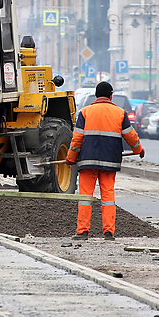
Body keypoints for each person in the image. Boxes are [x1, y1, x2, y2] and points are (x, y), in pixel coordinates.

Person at [66, 81, 145, 241]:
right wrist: (138, 150)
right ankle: (108, 232)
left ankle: (82, 232)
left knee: (85, 196)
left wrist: (71, 157)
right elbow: (130, 135)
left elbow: (77, 139)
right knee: (108, 196)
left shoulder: (85, 112)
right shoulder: (120, 113)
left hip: (87, 161)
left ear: (96, 95)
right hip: (110, 161)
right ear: (111, 95)